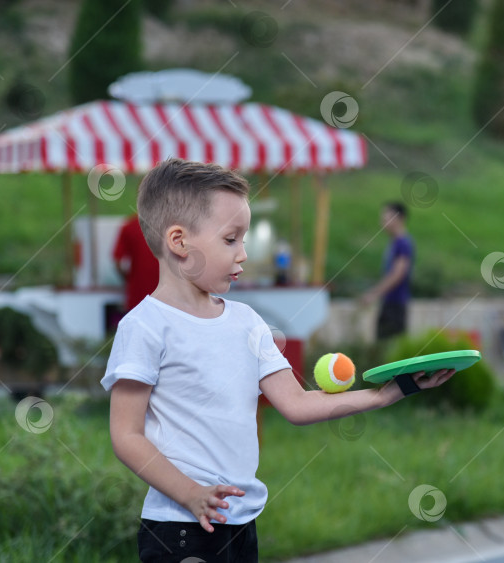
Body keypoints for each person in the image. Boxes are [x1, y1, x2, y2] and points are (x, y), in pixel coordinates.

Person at [100, 159, 454, 563]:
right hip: (178, 526)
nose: (244, 254)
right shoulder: (144, 327)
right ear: (179, 242)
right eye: (231, 239)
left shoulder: (248, 323)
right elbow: (126, 436)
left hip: (241, 524)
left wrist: (388, 393)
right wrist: (190, 494)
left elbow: (297, 403)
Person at [361, 202, 415, 340]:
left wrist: (374, 294)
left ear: (400, 219)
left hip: (395, 304)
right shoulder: (395, 243)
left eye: (387, 218)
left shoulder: (402, 243)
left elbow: (398, 274)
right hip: (389, 302)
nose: (383, 222)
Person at [113, 214, 160, 312]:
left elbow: (118, 261)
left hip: (138, 295)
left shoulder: (130, 226)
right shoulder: (171, 226)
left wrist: (128, 278)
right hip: (167, 297)